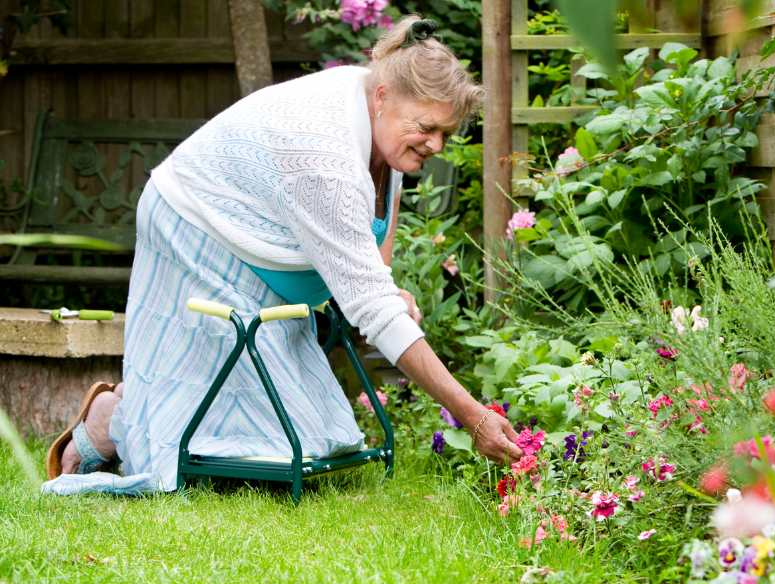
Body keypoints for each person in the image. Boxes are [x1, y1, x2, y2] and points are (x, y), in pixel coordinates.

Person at [42, 16, 523, 495]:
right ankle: (111, 421)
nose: (436, 144)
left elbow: (372, 271)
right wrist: (471, 414)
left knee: (311, 445)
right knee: (241, 451)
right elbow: (372, 309)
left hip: (258, 244)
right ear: (382, 99)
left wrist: (386, 288)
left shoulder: (385, 132)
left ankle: (124, 411)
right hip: (195, 222)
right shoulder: (325, 157)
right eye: (427, 128)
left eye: (446, 132)